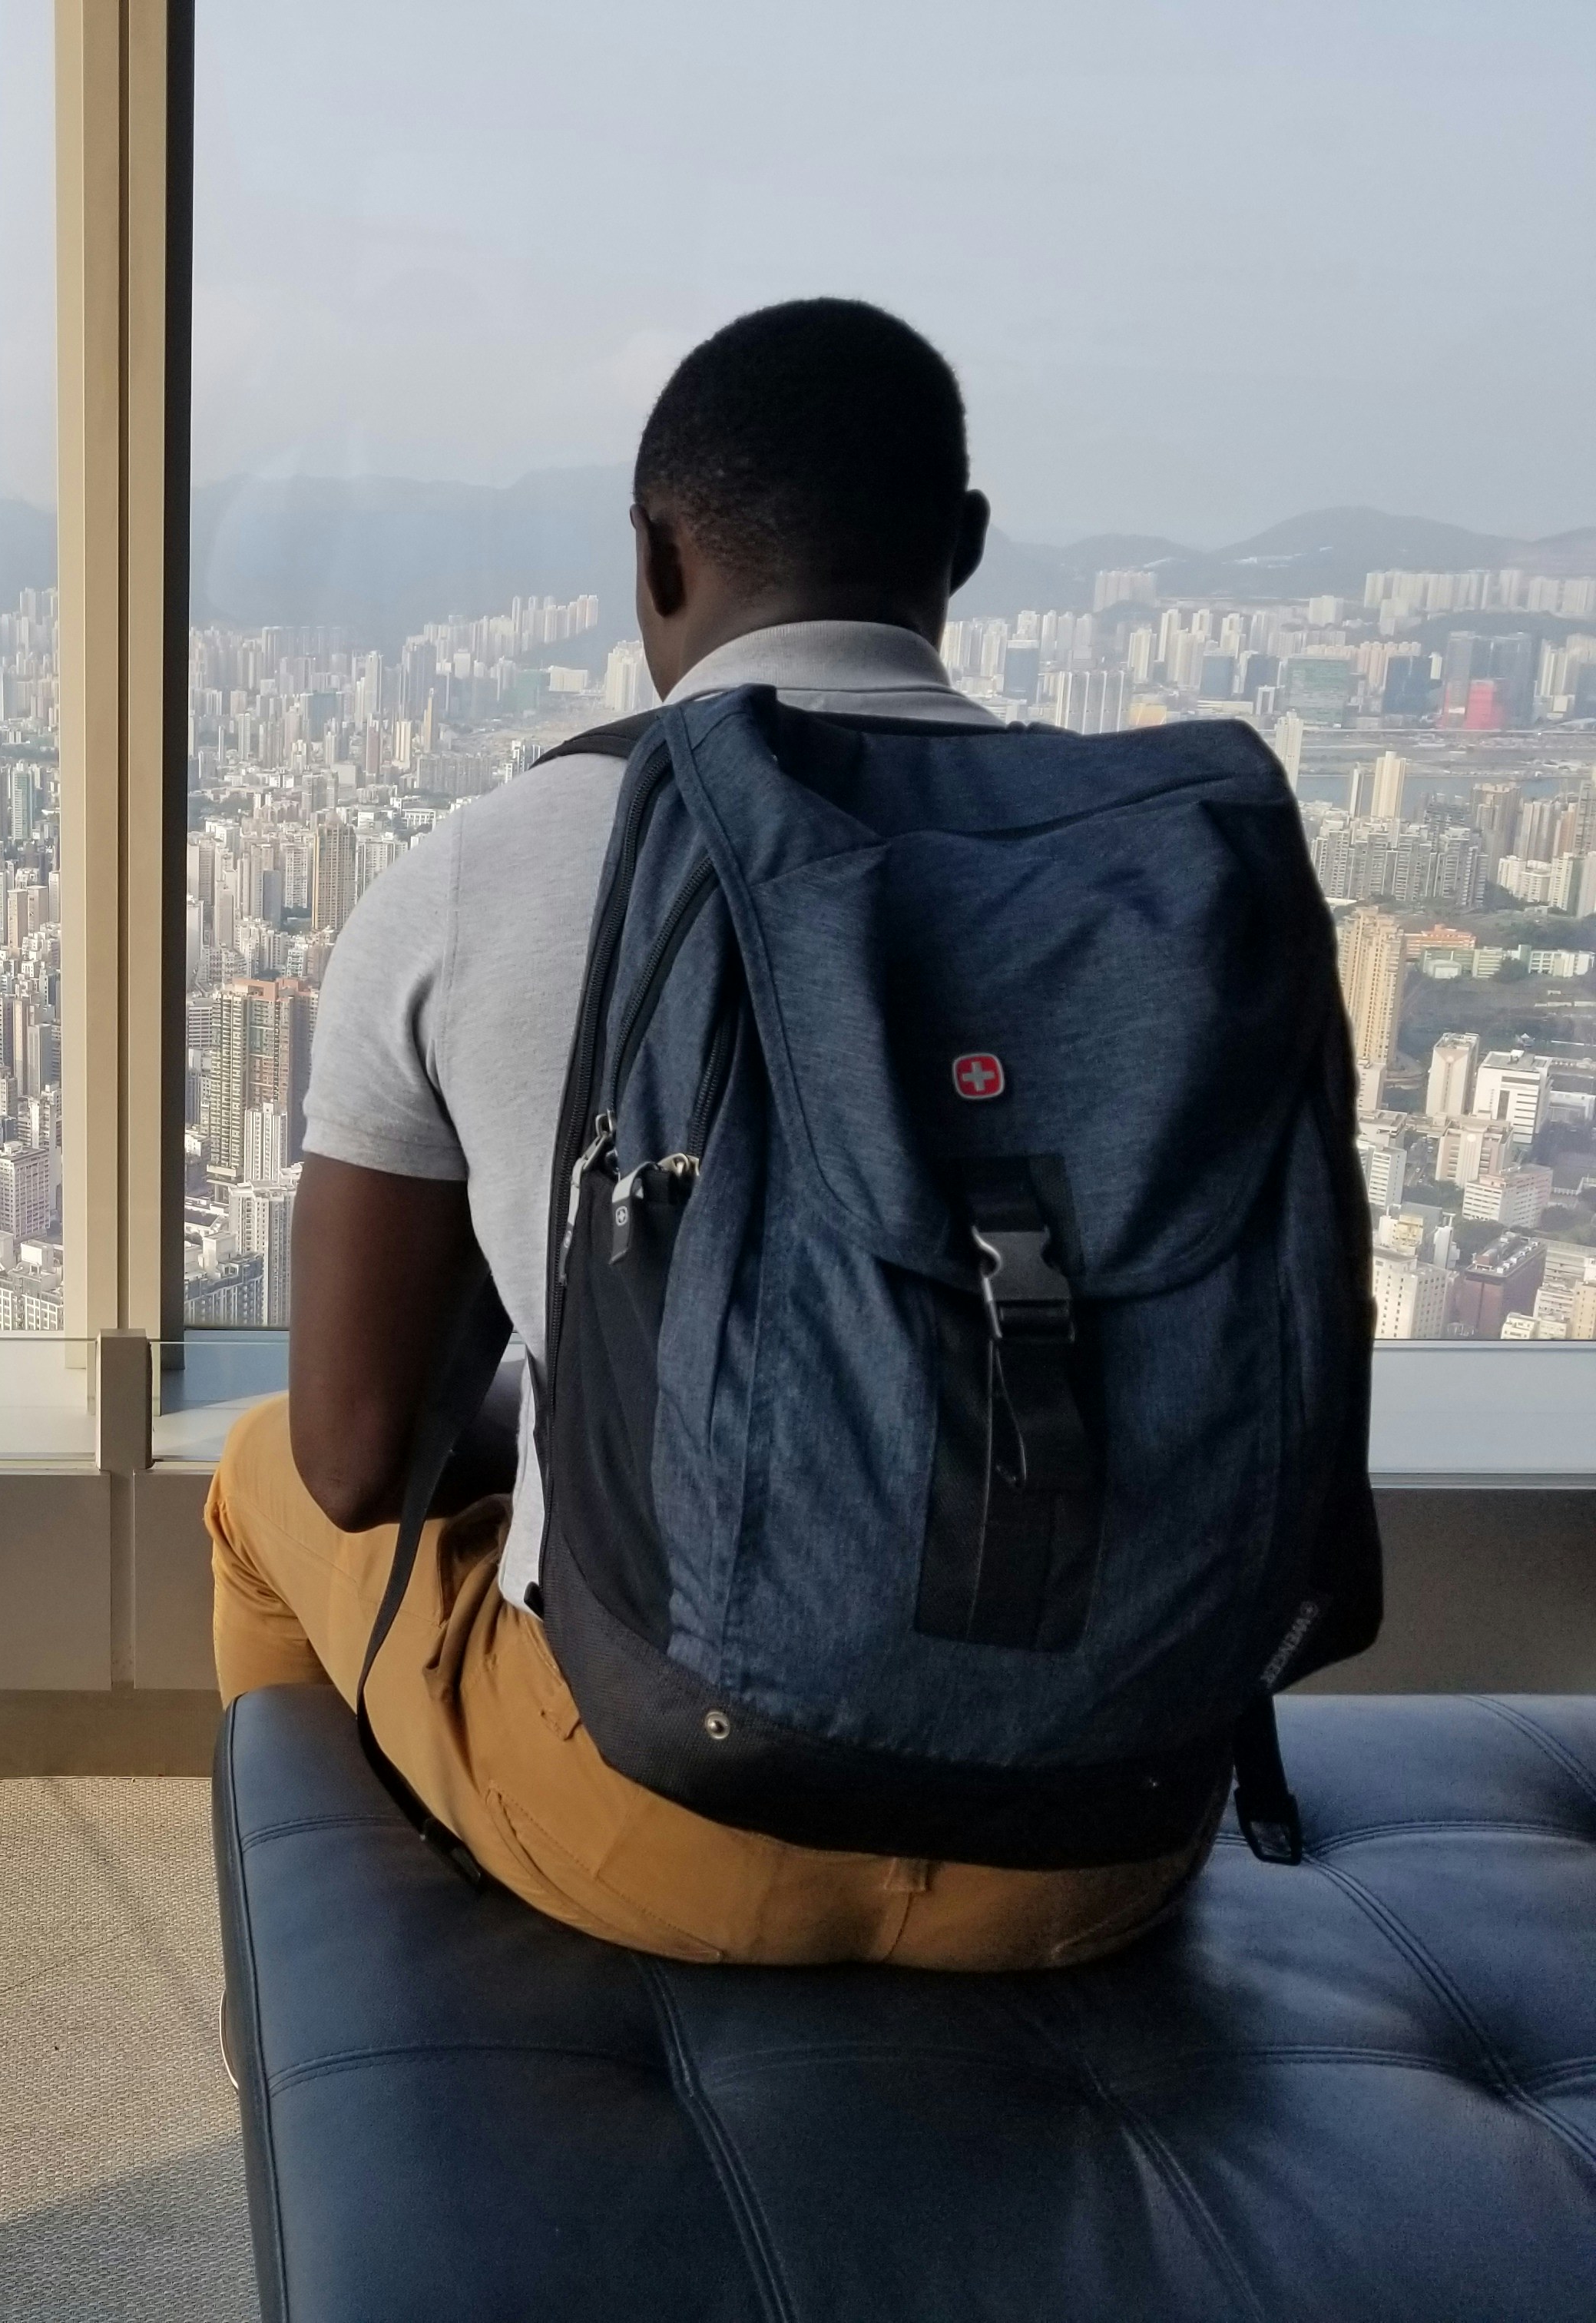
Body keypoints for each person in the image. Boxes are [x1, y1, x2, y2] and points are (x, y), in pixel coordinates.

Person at [207, 297, 1208, 1969]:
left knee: (257, 1485)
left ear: (655, 563)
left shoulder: (492, 864)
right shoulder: (1155, 879)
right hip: (1105, 1837)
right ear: (959, 549)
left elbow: (358, 1462)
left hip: (666, 1824)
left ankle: (344, 1958)